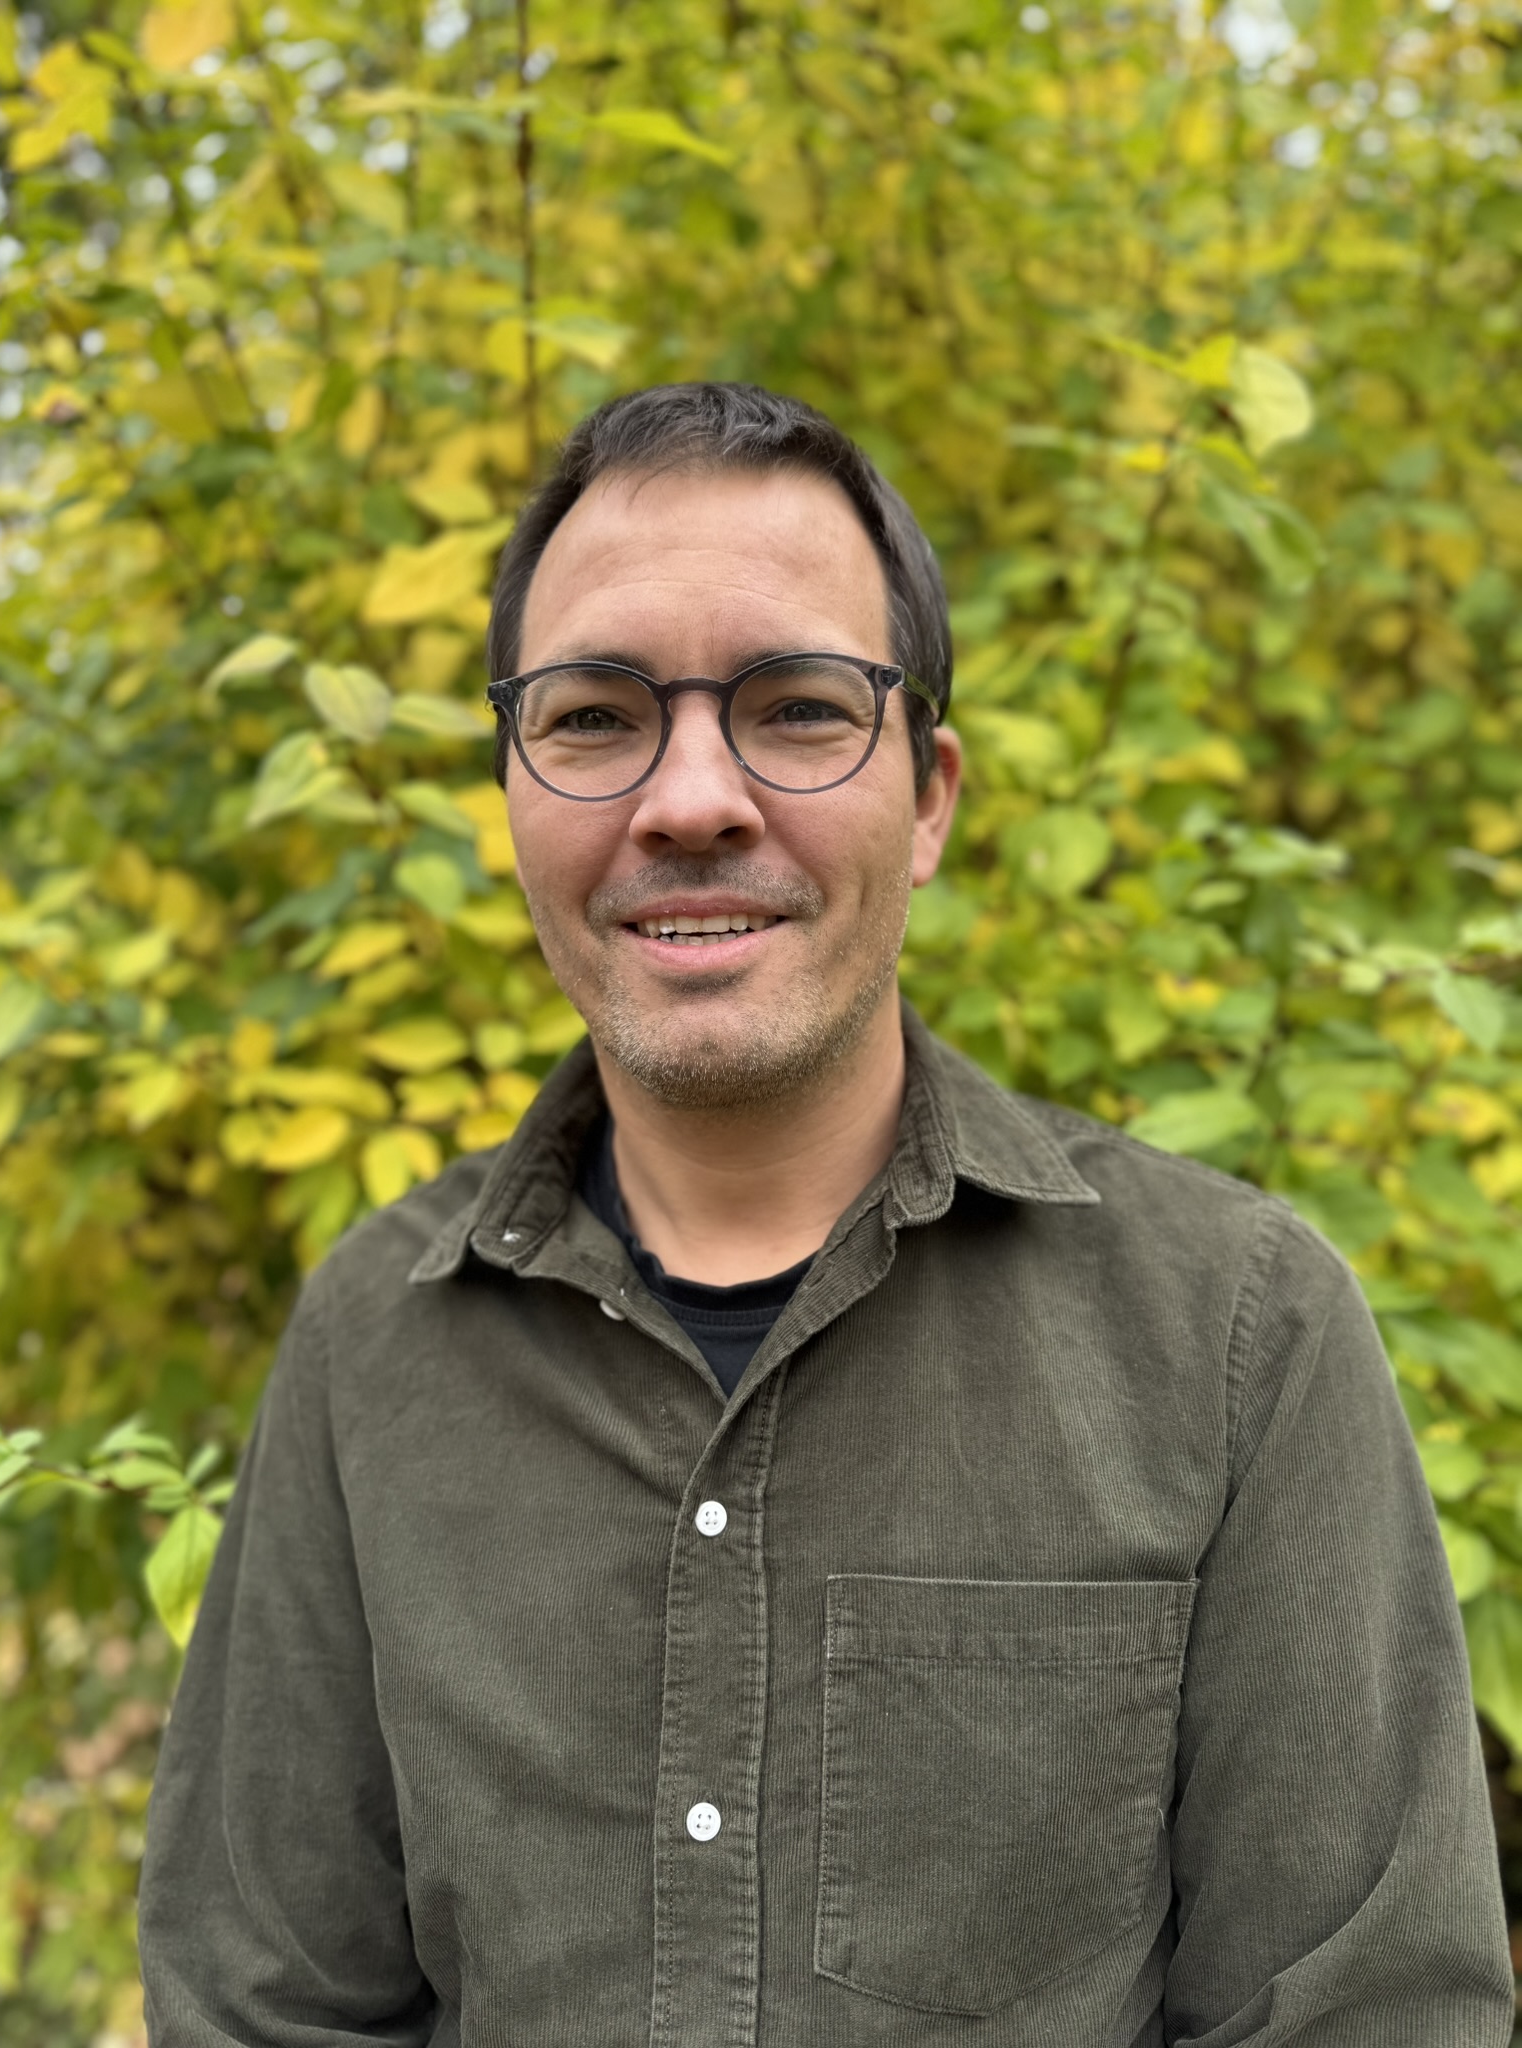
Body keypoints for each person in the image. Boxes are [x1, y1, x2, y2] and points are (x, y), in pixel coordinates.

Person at [139, 382, 1511, 2047]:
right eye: (595, 717)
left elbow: (1375, 2016)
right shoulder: (374, 1341)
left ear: (929, 799)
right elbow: (262, 2008)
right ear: (511, 794)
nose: (690, 800)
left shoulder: (1240, 1336)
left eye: (795, 708)